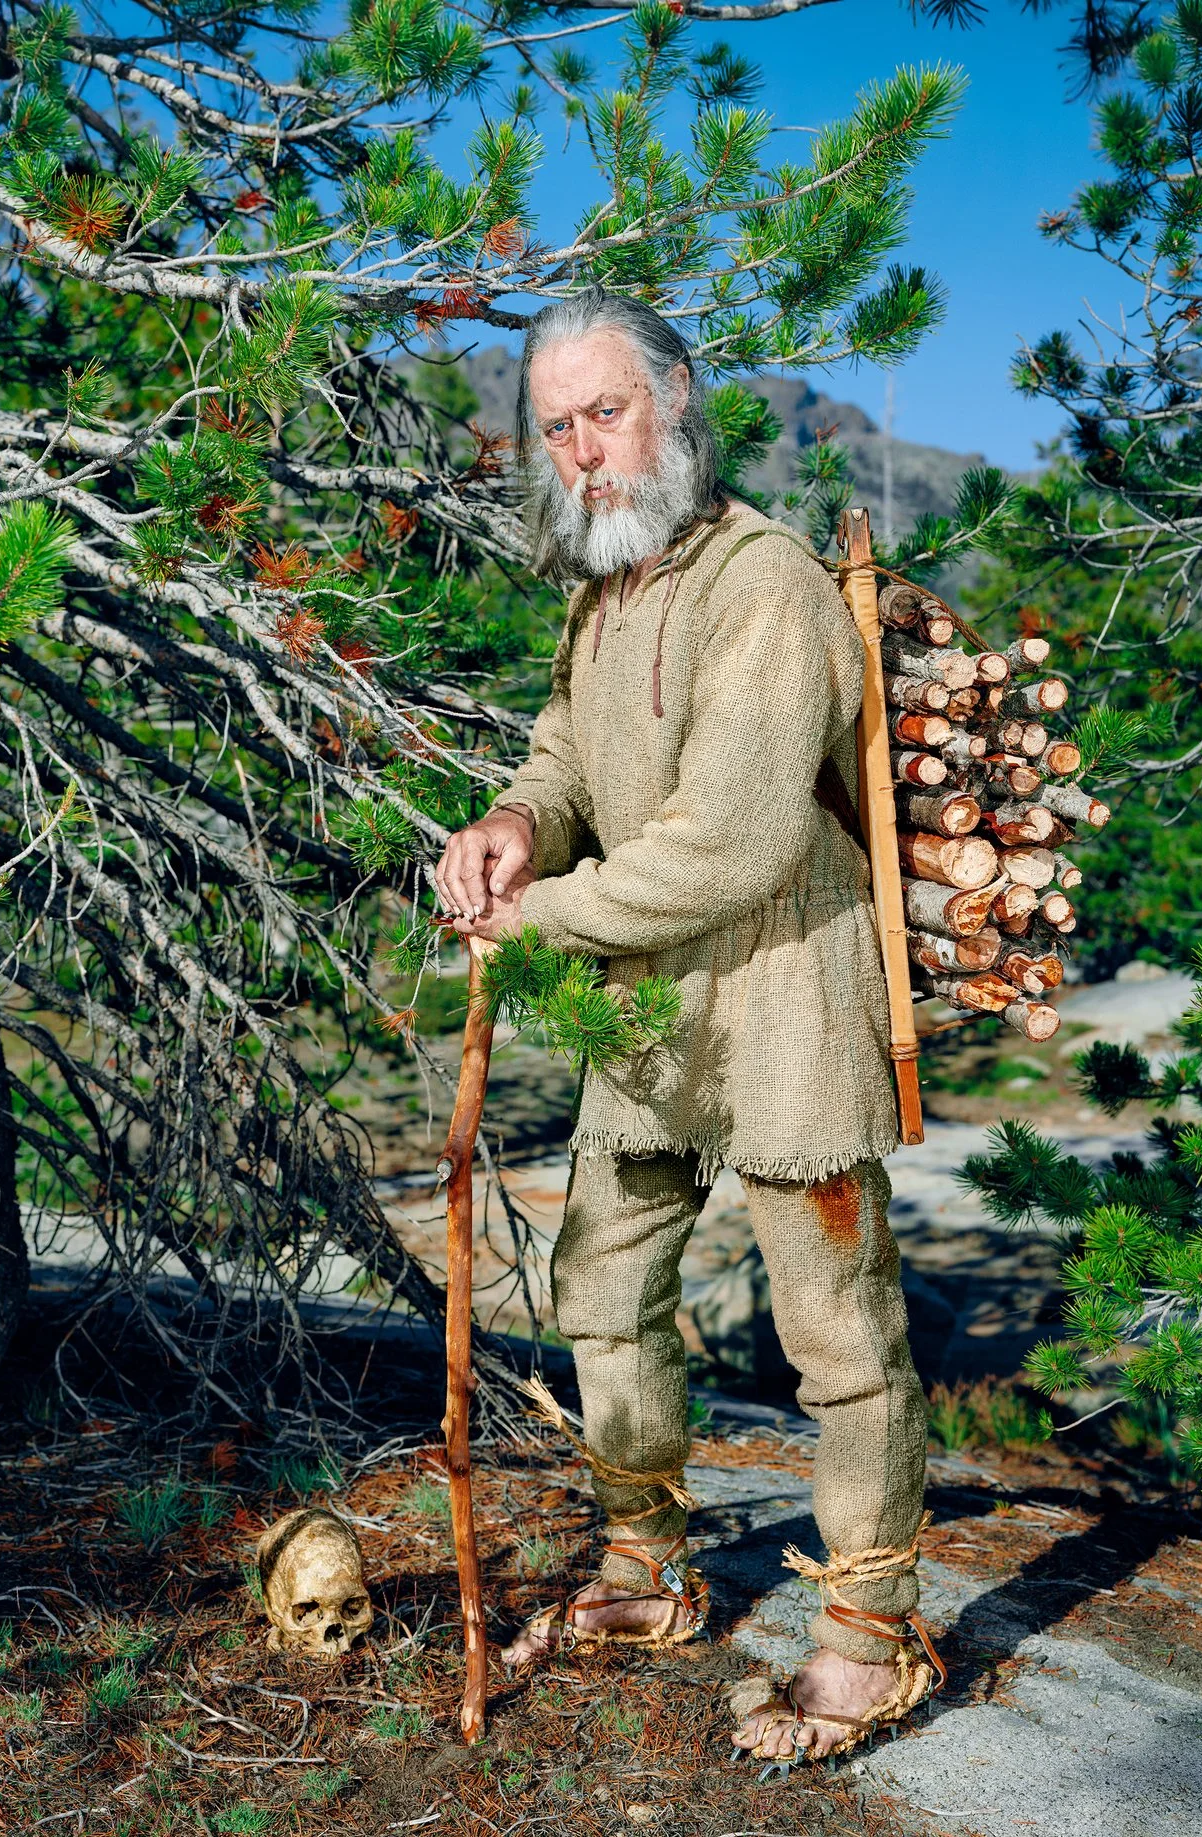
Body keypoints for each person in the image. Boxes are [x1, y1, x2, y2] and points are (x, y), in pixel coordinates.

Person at [436, 290, 943, 1764]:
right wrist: (515, 825)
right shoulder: (607, 593)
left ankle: (867, 1631)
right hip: (649, 998)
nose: (585, 451)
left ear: (676, 402)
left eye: (608, 412)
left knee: (838, 1338)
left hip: (788, 983)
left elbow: (729, 845)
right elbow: (564, 753)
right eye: (558, 427)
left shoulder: (763, 585)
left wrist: (529, 922)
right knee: (606, 1292)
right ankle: (647, 1567)